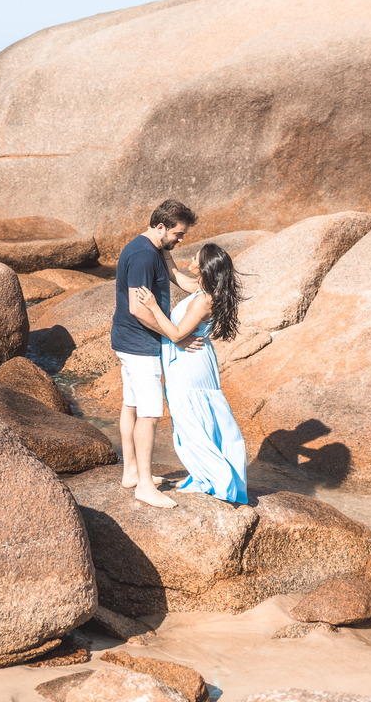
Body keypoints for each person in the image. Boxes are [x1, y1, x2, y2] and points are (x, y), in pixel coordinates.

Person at [135, 242, 248, 505]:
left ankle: (213, 478)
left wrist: (152, 306)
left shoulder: (202, 301)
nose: (192, 258)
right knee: (200, 416)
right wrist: (163, 249)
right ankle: (205, 475)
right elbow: (175, 275)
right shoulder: (205, 290)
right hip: (198, 359)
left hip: (189, 362)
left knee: (190, 419)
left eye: (196, 257)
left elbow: (176, 334)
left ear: (204, 266)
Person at [111, 199, 201, 509]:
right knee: (149, 414)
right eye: (178, 234)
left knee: (132, 405)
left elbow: (179, 278)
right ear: (160, 227)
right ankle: (145, 487)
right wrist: (176, 337)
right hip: (139, 344)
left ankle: (132, 473)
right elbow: (138, 308)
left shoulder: (156, 250)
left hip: (130, 341)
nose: (181, 240)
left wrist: (212, 290)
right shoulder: (142, 255)